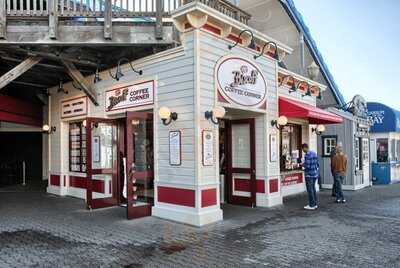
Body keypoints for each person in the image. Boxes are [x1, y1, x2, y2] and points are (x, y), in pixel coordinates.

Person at [302, 143, 319, 210]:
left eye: (303, 149)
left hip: (309, 175)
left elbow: (308, 166)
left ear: (305, 148)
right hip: (315, 174)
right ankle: (315, 204)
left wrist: (303, 166)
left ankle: (311, 205)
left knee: (310, 190)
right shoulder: (314, 153)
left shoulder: (307, 155)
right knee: (313, 189)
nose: (303, 151)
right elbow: (317, 164)